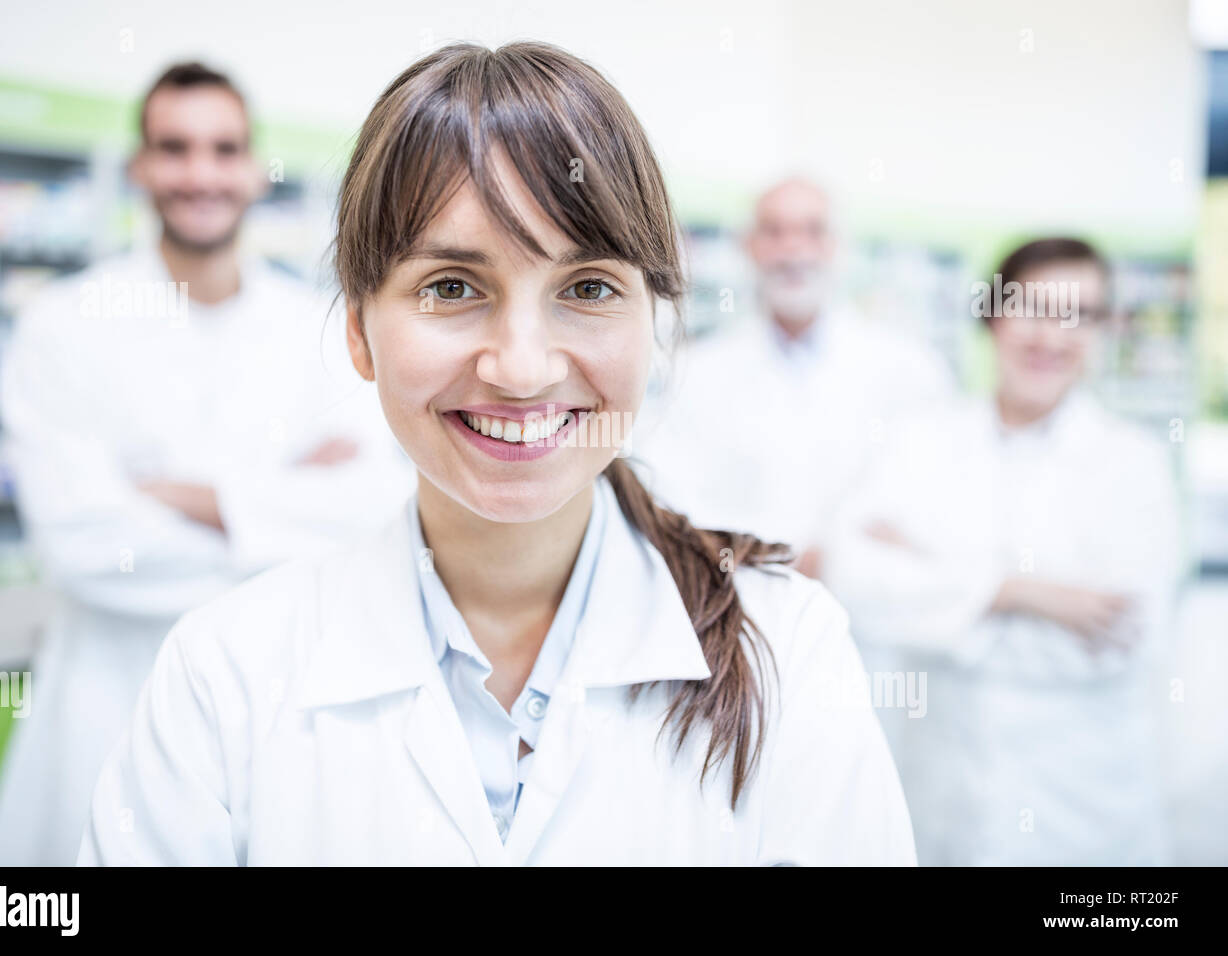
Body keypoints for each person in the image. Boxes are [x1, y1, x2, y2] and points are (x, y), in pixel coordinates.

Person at [76, 41, 916, 866]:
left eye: (587, 288)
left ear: (652, 327)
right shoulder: (223, 672)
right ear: (360, 333)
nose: (521, 368)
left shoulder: (789, 648)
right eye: (451, 287)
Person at [0, 62, 412, 866]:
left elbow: (374, 512)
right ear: (140, 167)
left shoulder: (319, 330)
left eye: (224, 148)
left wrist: (179, 496)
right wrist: (285, 503)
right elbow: (84, 545)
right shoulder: (63, 325)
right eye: (174, 149)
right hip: (107, 703)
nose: (200, 173)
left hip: (282, 709)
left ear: (254, 167)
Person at [820, 238, 1182, 865]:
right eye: (1035, 307)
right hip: (943, 795)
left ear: (1102, 331)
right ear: (993, 315)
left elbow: (1127, 630)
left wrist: (931, 584)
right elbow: (851, 574)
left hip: (1084, 812)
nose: (1053, 335)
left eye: (1081, 315)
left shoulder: (1134, 464)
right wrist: (1021, 593)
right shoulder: (921, 441)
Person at [629, 177, 954, 578]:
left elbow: (913, 502)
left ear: (839, 248)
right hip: (744, 600)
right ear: (748, 247)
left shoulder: (909, 369)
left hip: (874, 615)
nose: (793, 249)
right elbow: (676, 501)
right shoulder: (695, 373)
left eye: (812, 231)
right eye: (774, 232)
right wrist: (785, 554)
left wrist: (835, 555)